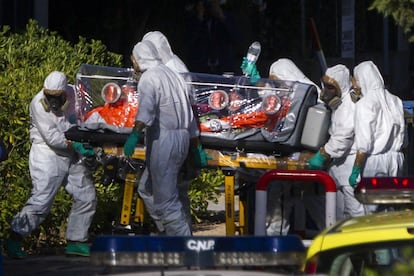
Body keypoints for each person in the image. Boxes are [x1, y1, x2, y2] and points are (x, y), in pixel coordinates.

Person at [4, 71, 97, 259]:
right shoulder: (38, 104)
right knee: (42, 200)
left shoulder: (75, 94)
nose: (53, 102)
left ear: (65, 93)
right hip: (47, 153)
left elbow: (86, 117)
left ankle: (76, 241)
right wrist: (76, 144)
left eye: (57, 97)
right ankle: (14, 238)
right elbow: (53, 138)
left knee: (86, 195)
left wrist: (91, 138)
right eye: (49, 97)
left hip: (72, 151)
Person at [124, 40, 210, 236]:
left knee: (166, 202)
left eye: (134, 61)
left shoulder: (149, 79)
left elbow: (146, 111)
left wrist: (134, 135)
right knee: (147, 188)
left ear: (140, 59)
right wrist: (196, 147)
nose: (134, 66)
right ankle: (168, 231)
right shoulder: (172, 75)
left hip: (164, 141)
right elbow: (189, 115)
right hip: (182, 139)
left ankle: (184, 246)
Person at [308, 64, 365, 221]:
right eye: (324, 85)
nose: (326, 91)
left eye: (331, 87)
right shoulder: (338, 106)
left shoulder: (348, 106)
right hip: (339, 169)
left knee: (355, 216)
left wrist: (323, 154)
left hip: (348, 168)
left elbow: (343, 137)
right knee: (340, 218)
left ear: (342, 87)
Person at [350, 61, 405, 212]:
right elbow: (403, 136)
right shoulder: (396, 100)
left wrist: (355, 170)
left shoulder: (365, 104)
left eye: (355, 81)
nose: (355, 86)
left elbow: (364, 143)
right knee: (393, 209)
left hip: (374, 162)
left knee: (373, 210)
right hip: (396, 158)